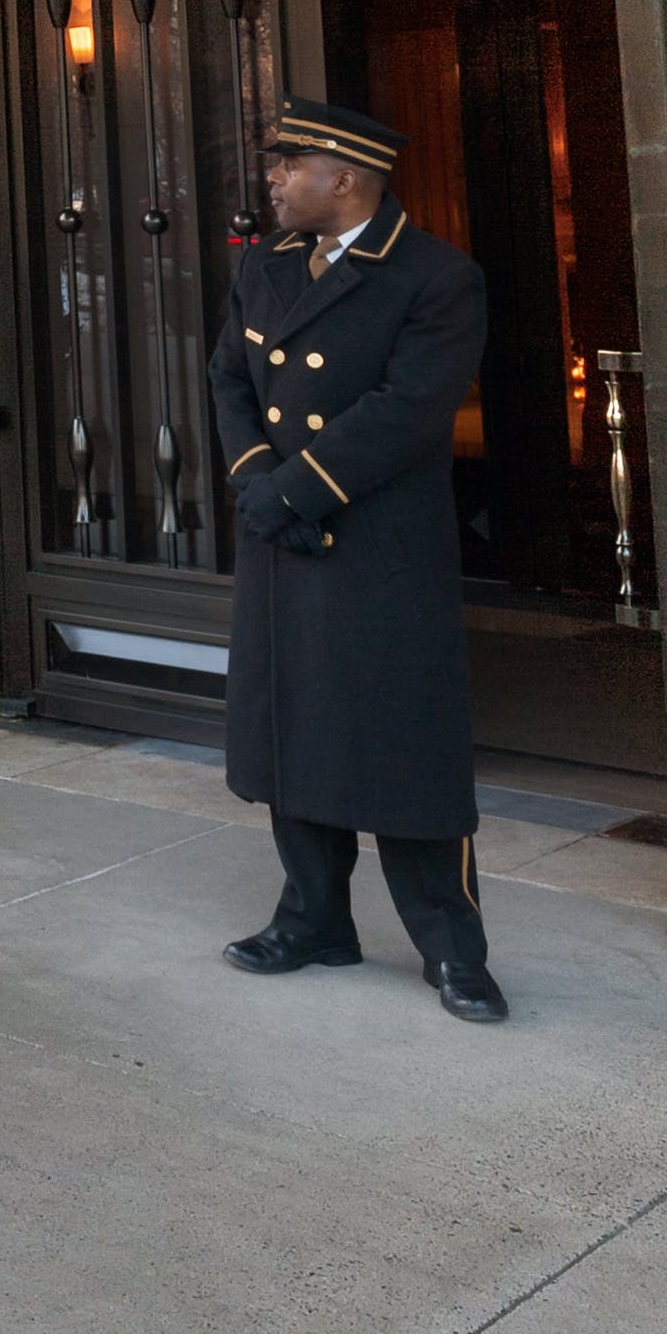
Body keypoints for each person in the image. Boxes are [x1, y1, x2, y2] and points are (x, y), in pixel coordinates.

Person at [209, 95, 507, 1023]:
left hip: (378, 545)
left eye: (287, 165)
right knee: (294, 733)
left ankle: (453, 949)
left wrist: (297, 489)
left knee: (407, 749)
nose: (272, 178)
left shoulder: (434, 275)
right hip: (282, 540)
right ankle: (313, 920)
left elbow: (410, 409)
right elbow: (229, 377)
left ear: (343, 178)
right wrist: (259, 482)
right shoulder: (266, 264)